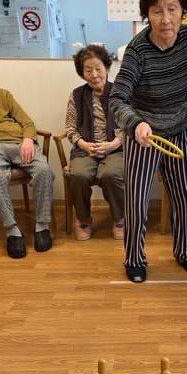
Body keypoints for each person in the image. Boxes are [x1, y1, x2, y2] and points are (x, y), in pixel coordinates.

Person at [110, 0, 187, 283]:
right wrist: (135, 124)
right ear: (146, 13)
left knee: (185, 197)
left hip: (178, 131)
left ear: (183, 9)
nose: (166, 19)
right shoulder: (137, 51)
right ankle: (134, 258)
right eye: (156, 11)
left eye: (172, 9)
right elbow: (116, 99)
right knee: (137, 201)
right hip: (144, 136)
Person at [0, 62, 54, 258]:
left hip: (19, 143)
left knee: (44, 170)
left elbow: (27, 122)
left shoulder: (2, 94)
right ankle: (12, 231)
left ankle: (42, 226)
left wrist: (28, 139)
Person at [65, 44, 124, 241]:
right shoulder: (76, 95)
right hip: (85, 149)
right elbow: (70, 128)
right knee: (78, 174)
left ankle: (120, 219)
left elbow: (131, 126)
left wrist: (113, 144)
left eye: (98, 68)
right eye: (88, 70)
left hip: (116, 149)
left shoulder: (121, 93)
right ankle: (83, 219)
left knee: (111, 174)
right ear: (82, 73)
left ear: (107, 68)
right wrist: (83, 144)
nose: (94, 74)